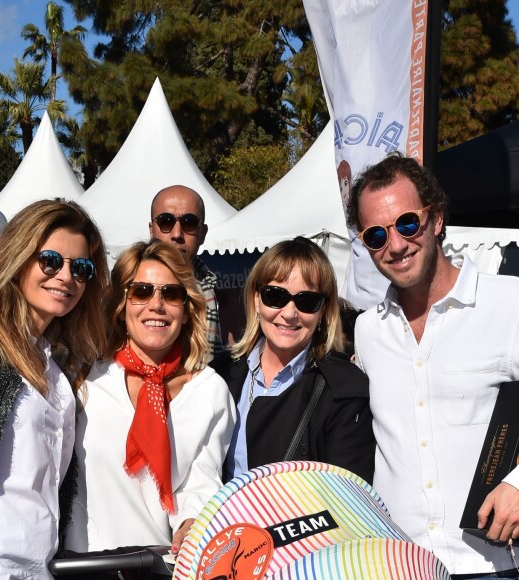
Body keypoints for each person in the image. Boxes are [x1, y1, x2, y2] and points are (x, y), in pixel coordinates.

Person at [347, 152, 519, 579]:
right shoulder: (368, 332)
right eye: (376, 235)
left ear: (437, 218)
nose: (397, 245)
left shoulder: (509, 303)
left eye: (407, 223)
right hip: (398, 564)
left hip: (492, 565)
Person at [0, 199, 108, 579]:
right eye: (50, 260)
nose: (66, 277)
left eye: (81, 268)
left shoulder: (58, 370)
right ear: (18, 258)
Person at [65, 240, 235, 556]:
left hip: (158, 564)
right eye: (141, 291)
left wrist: (191, 523)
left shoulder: (210, 392)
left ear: (186, 311)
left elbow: (201, 483)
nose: (156, 305)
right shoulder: (83, 376)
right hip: (81, 566)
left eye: (171, 294)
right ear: (121, 306)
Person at [211, 236, 375, 484]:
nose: (289, 314)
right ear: (256, 299)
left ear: (323, 311)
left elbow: (347, 499)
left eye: (307, 301)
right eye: (275, 296)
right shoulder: (219, 374)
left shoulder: (346, 391)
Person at [149, 184, 223, 360]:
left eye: (189, 223)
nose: (177, 233)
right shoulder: (126, 283)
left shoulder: (208, 289)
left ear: (203, 233)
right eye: (166, 221)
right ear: (152, 230)